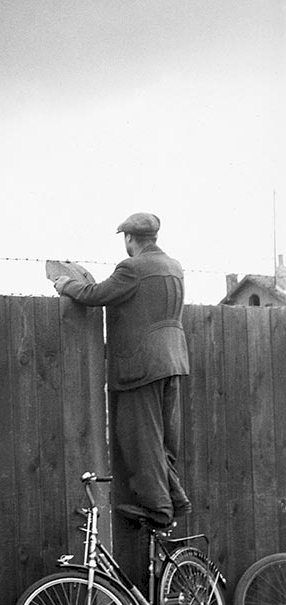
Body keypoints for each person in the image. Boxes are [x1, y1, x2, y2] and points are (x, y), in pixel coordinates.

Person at [53, 212, 190, 529]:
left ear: (129, 238)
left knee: (140, 437)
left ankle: (159, 509)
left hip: (141, 364)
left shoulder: (132, 268)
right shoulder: (173, 266)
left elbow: (95, 295)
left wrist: (66, 283)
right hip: (173, 359)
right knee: (162, 439)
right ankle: (176, 498)